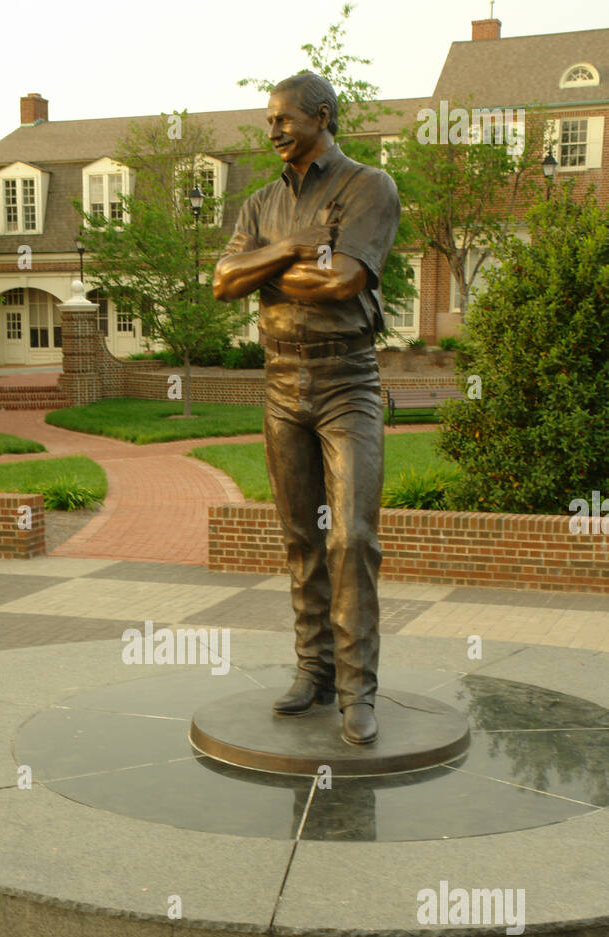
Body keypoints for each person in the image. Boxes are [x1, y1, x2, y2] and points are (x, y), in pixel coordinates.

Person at [212, 72, 401, 745]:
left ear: (321, 117)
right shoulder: (263, 202)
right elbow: (221, 281)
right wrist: (292, 248)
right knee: (299, 536)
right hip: (281, 383)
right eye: (268, 121)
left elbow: (345, 279)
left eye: (283, 119)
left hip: (347, 380)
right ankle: (312, 672)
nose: (272, 132)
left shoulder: (369, 187)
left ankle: (357, 690)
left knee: (350, 537)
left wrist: (263, 268)